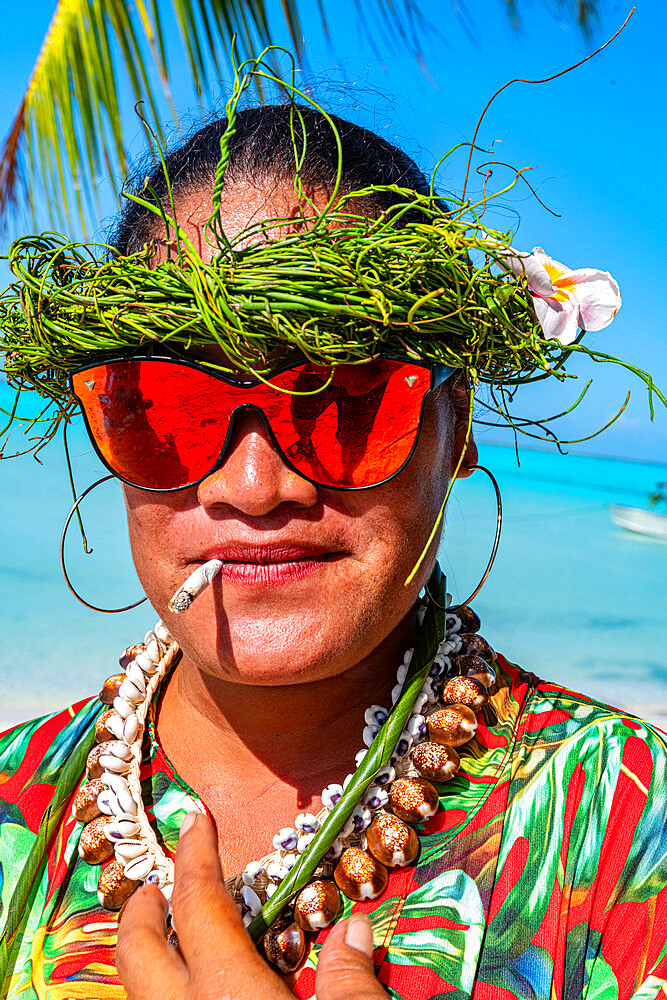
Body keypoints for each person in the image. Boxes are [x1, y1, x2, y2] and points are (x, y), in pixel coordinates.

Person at [0, 103, 666, 1000]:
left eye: (341, 398)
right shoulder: (16, 800)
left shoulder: (627, 828)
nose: (249, 485)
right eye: (165, 407)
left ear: (455, 421)